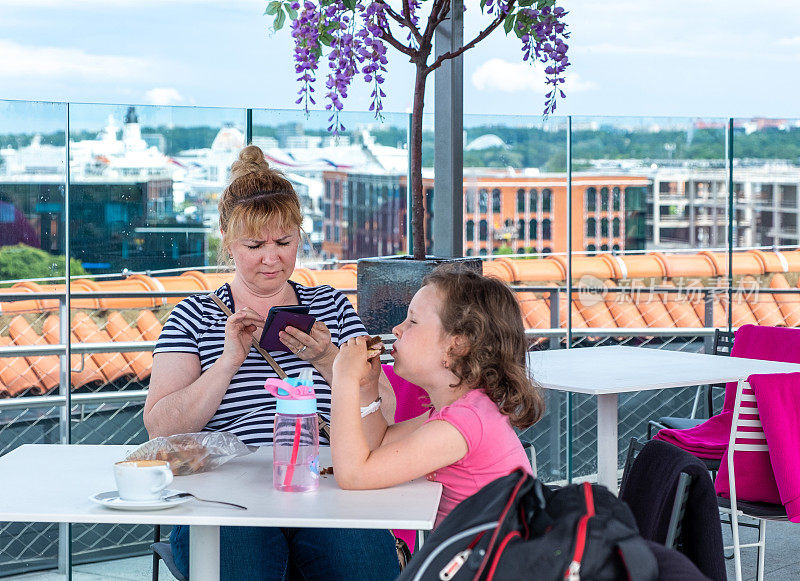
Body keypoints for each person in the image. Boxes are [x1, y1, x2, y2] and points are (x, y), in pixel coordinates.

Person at [143, 144, 399, 581]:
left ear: (300, 236)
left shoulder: (331, 306)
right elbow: (160, 427)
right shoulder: (195, 315)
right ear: (226, 240)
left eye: (284, 242)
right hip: (223, 493)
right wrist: (226, 362)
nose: (271, 257)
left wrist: (329, 359)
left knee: (364, 564)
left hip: (329, 481)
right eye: (254, 244)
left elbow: (386, 412)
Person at [331, 266, 545, 526]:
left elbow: (354, 476)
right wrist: (366, 388)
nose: (397, 329)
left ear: (457, 345)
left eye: (413, 321)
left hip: (495, 563)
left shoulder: (462, 424)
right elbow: (380, 442)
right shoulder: (464, 410)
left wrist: (344, 379)